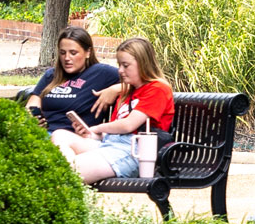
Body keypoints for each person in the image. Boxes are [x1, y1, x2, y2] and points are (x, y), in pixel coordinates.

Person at [51, 37, 174, 183]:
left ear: (143, 64)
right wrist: (91, 134)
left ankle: (72, 175)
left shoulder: (158, 89)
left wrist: (96, 128)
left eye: (126, 65)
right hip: (110, 145)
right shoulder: (128, 91)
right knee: (60, 136)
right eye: (119, 65)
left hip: (134, 151)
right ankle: (73, 175)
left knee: (64, 171)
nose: (120, 70)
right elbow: (111, 133)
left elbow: (128, 125)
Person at [23, 27, 120, 133]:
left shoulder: (101, 73)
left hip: (76, 138)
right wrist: (31, 116)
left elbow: (138, 82)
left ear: (88, 52)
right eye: (63, 53)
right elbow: (33, 103)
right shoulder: (51, 75)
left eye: (73, 53)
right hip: (43, 135)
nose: (67, 58)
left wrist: (116, 89)